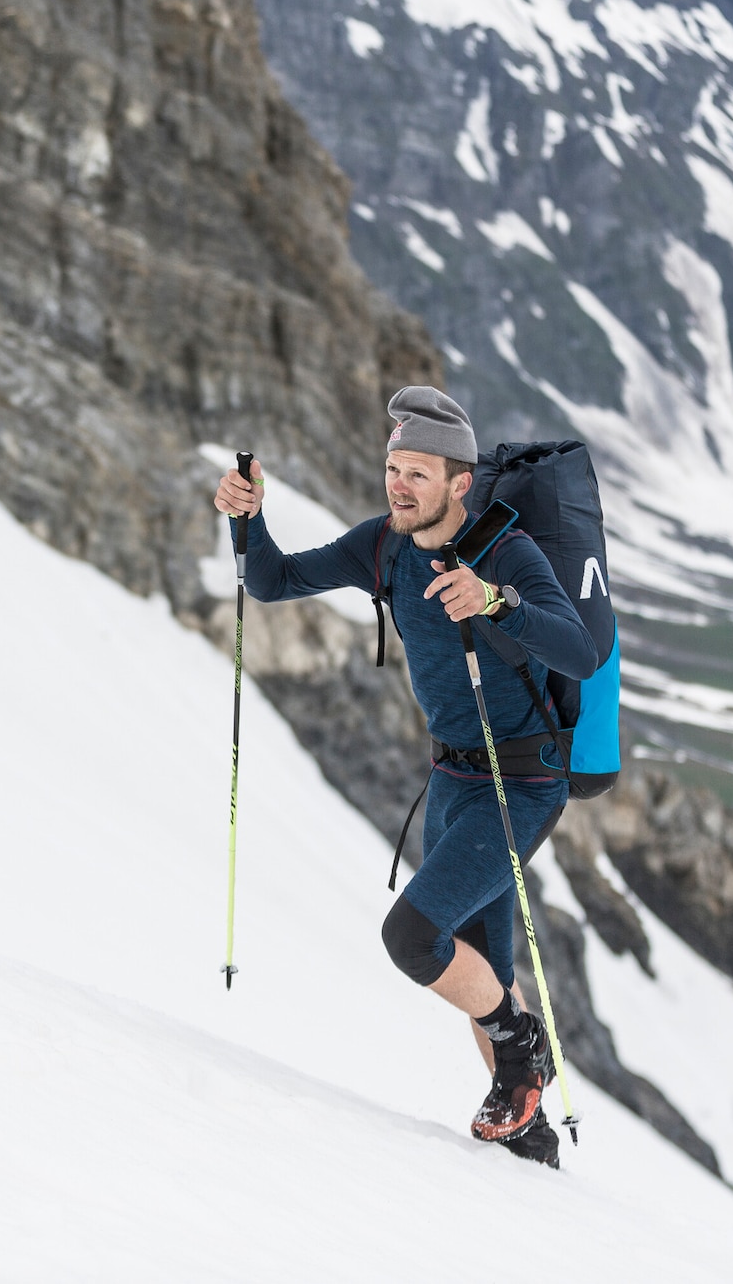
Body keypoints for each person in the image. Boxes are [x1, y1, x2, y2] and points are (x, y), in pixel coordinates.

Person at [212, 387, 596, 1167]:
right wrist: (244, 519)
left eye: (417, 472)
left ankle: (524, 1049)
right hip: (452, 780)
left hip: (521, 783)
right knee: (483, 970)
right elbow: (273, 580)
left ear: (459, 481)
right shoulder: (383, 545)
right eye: (393, 467)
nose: (398, 484)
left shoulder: (507, 551)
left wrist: (496, 602)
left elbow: (580, 650)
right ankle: (530, 1145)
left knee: (415, 936)